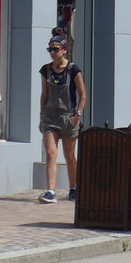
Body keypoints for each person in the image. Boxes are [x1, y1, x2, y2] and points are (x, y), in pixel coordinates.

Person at [38, 34, 86, 203]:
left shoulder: (73, 69)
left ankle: (73, 188)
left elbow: (82, 94)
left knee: (70, 155)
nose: (52, 52)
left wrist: (78, 115)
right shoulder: (45, 70)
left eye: (55, 49)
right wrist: (41, 116)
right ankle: (51, 191)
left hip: (68, 117)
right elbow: (44, 94)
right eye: (50, 49)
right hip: (50, 117)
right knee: (51, 153)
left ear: (64, 50)